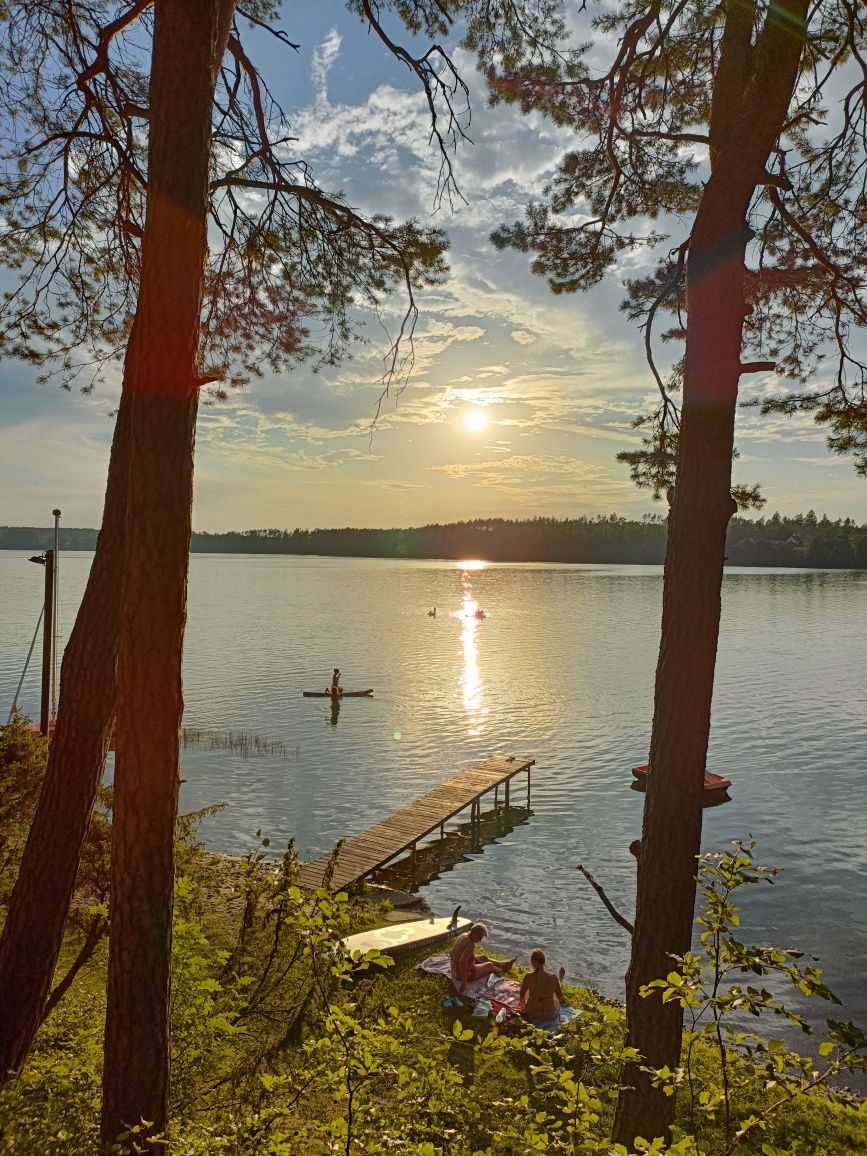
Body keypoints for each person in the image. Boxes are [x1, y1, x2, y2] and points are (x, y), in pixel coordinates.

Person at [449, 923, 515, 988]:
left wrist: (479, 962)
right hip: (463, 974)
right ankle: (501, 970)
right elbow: (462, 963)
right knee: (489, 965)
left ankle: (504, 964)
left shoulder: (463, 935)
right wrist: (464, 983)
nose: (480, 940)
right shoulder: (470, 945)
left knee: (483, 957)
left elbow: (465, 956)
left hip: (454, 968)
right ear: (474, 933)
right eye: (480, 937)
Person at [519, 949, 564, 1023]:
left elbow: (521, 995)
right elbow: (560, 997)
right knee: (555, 997)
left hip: (531, 1012)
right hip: (549, 1014)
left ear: (532, 962)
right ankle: (560, 980)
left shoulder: (528, 976)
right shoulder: (553, 977)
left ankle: (560, 981)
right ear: (544, 962)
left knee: (528, 993)